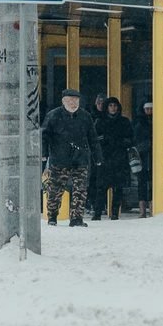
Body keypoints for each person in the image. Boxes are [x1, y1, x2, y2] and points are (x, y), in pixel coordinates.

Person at [41, 88, 102, 227]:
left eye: (76, 100)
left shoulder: (85, 116)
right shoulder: (53, 115)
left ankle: (76, 218)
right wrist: (43, 153)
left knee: (80, 189)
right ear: (63, 101)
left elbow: (93, 138)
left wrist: (97, 156)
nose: (73, 103)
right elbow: (44, 136)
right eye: (70, 100)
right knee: (55, 189)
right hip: (59, 158)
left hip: (81, 159)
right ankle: (52, 215)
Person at [92, 97, 133, 220]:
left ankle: (115, 213)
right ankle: (97, 213)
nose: (113, 108)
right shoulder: (99, 122)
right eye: (110, 106)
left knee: (118, 188)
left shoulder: (124, 121)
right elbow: (94, 139)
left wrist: (120, 142)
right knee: (101, 188)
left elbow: (131, 139)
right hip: (105, 158)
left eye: (115, 106)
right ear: (107, 107)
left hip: (119, 158)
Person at [132, 101, 153, 218]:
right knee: (143, 183)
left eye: (151, 109)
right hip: (144, 156)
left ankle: (149, 209)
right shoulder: (139, 123)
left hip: (147, 156)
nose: (149, 111)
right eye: (147, 109)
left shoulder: (138, 122)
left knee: (147, 183)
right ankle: (143, 211)